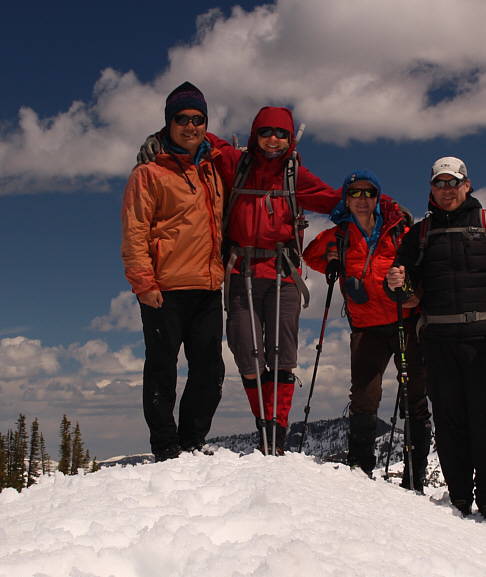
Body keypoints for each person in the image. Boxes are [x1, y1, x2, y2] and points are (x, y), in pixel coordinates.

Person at [139, 106, 338, 455]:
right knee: (247, 354)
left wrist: (386, 205)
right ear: (254, 135)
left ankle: (274, 431)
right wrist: (158, 138)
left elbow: (337, 200)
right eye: (266, 132)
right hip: (240, 271)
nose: (273, 140)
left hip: (283, 273)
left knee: (282, 355)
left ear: (291, 139)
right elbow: (201, 137)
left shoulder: (295, 176)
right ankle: (264, 421)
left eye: (281, 134)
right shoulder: (235, 163)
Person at [385, 157, 486, 522]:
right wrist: (400, 288)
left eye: (454, 183)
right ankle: (461, 498)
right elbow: (400, 281)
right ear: (432, 189)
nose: (447, 190)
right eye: (440, 184)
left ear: (468, 185)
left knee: (484, 420)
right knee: (449, 421)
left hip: (484, 337)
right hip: (437, 339)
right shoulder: (419, 234)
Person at [304, 169, 431, 488]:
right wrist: (333, 256)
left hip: (406, 320)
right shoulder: (340, 234)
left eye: (369, 193)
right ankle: (361, 470)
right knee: (364, 395)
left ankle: (414, 477)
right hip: (366, 326)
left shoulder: (398, 230)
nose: (362, 200)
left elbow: (420, 265)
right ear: (346, 199)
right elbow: (310, 256)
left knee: (415, 397)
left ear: (378, 197)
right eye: (355, 193)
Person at [121, 81, 226, 461]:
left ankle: (192, 441)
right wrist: (143, 283)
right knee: (163, 369)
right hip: (163, 288)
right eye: (181, 119)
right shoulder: (147, 173)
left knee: (210, 371)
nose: (190, 126)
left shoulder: (213, 168)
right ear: (168, 124)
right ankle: (165, 445)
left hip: (209, 286)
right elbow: (134, 231)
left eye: (198, 119)